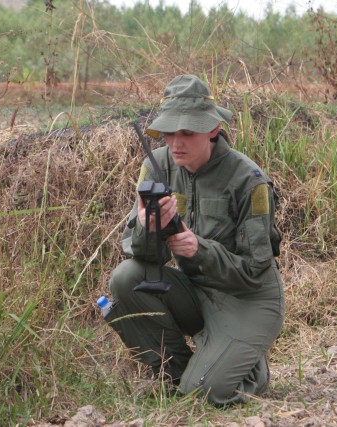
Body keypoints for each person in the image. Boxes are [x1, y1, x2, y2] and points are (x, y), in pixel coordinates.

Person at [105, 74, 284, 406]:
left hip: (248, 299)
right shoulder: (155, 167)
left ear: (213, 130)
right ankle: (181, 371)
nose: (176, 143)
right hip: (196, 288)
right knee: (126, 277)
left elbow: (255, 268)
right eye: (169, 133)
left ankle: (248, 368)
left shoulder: (249, 180)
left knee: (205, 393)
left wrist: (200, 249)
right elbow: (137, 252)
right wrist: (147, 228)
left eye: (187, 133)